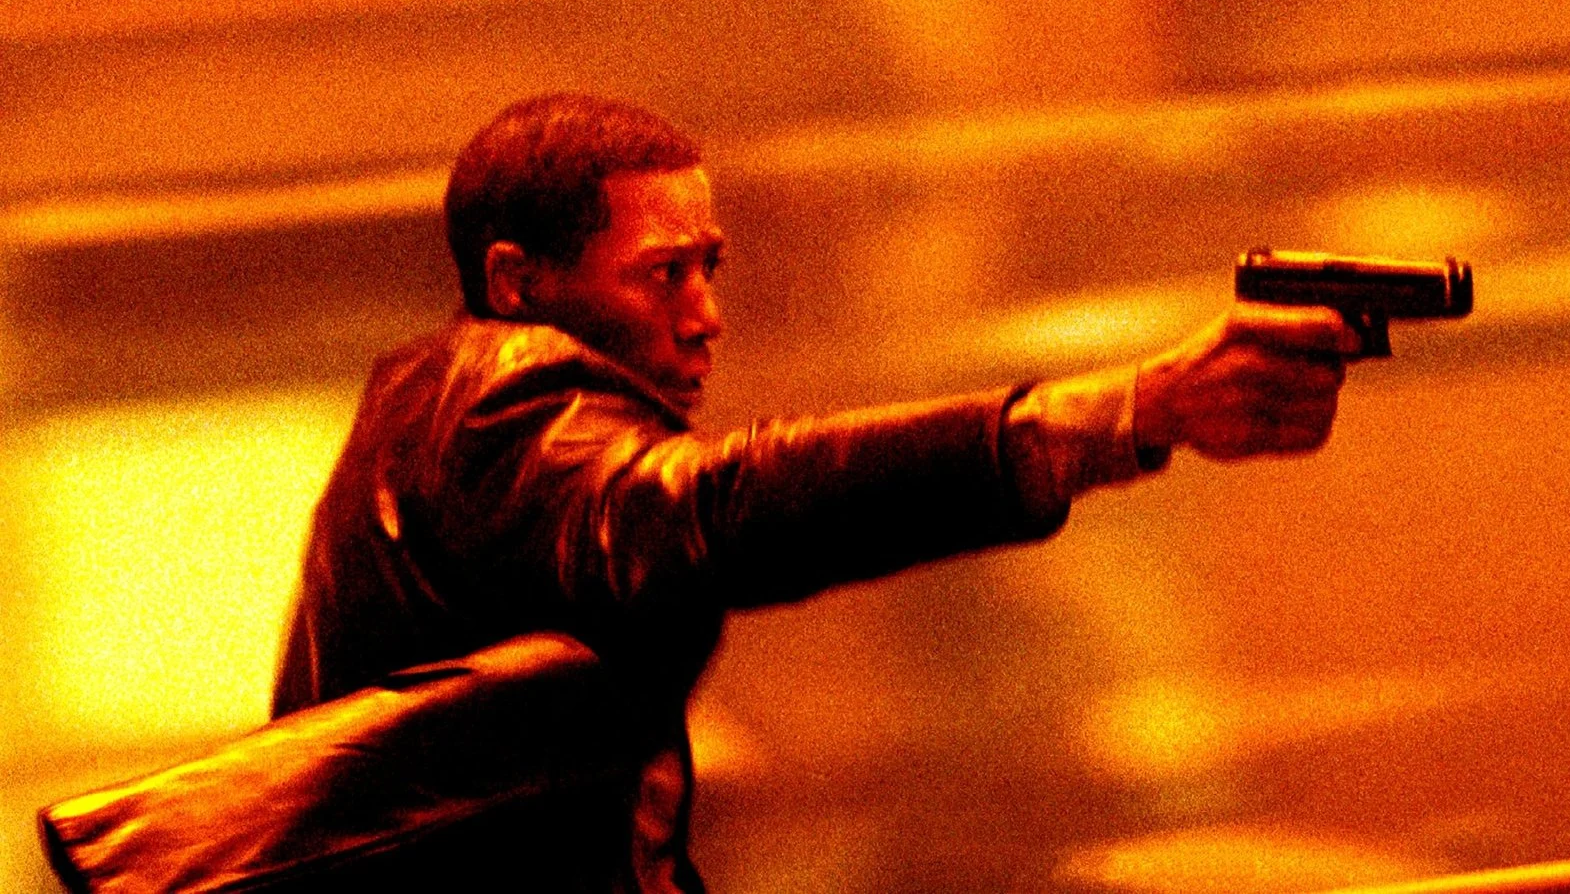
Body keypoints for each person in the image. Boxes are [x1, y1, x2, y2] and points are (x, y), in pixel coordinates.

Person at [270, 92, 1359, 892]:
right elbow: (710, 512)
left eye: (709, 266)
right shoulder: (496, 400)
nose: (705, 315)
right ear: (518, 283)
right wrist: (1122, 411)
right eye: (661, 274)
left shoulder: (445, 418)